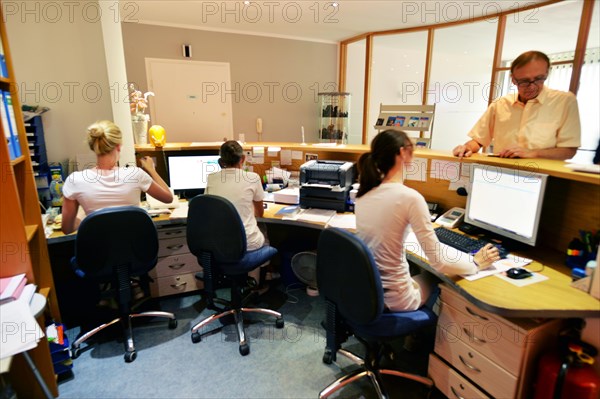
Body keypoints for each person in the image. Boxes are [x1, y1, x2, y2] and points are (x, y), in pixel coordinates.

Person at [356, 130, 499, 312]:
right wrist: (476, 263)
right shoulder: (409, 197)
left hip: (368, 293)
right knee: (433, 275)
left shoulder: (362, 193)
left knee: (418, 270)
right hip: (396, 299)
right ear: (402, 153)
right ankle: (416, 337)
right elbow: (439, 262)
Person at [453, 50, 581, 160]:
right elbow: (479, 140)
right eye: (524, 81)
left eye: (539, 79)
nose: (532, 86)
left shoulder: (565, 101)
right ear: (513, 79)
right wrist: (467, 147)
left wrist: (533, 153)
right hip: (502, 173)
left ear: (546, 74)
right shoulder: (501, 104)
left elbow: (569, 150)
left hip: (545, 179)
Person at [61, 120, 173, 234]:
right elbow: (168, 198)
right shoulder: (136, 175)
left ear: (93, 147)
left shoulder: (75, 180)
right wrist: (151, 170)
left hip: (97, 251)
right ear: (118, 146)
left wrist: (84, 213)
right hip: (134, 249)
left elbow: (67, 229)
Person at [205, 140, 271, 289]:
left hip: (218, 243)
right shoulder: (252, 178)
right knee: (262, 228)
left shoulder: (211, 178)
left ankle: (241, 281)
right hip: (246, 243)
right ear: (243, 159)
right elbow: (259, 212)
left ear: (220, 161)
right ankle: (256, 286)